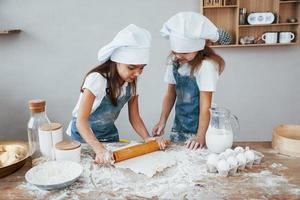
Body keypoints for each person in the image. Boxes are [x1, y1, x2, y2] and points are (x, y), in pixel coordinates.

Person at [68, 24, 165, 164]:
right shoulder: (97, 80)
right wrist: (99, 150)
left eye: (142, 68)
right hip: (85, 138)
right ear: (117, 61)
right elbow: (81, 121)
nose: (137, 73)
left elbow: (135, 117)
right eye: (131, 67)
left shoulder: (132, 82)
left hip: (109, 135)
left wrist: (147, 138)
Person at [152, 12, 225, 150]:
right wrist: (162, 121)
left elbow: (205, 105)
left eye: (184, 53)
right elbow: (170, 94)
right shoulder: (175, 62)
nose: (178, 55)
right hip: (180, 124)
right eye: (175, 51)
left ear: (198, 47)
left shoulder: (206, 66)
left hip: (202, 127)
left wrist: (200, 136)